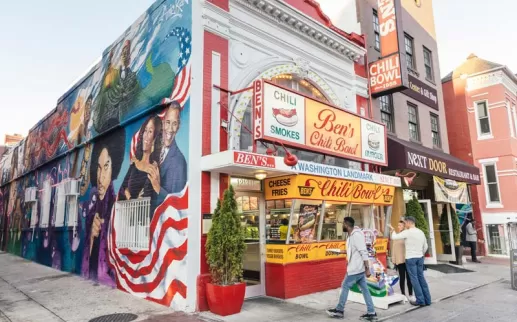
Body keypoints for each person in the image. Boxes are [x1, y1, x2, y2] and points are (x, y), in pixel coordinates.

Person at [82, 128, 125, 285]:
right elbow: (85, 261)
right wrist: (92, 239)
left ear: (115, 167)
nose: (101, 177)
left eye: (106, 166)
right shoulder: (91, 212)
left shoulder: (117, 207)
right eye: (99, 168)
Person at [327, 217, 377, 320]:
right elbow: (352, 251)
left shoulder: (356, 235)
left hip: (356, 268)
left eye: (343, 224)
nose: (342, 226)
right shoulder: (351, 236)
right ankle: (371, 312)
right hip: (357, 268)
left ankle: (339, 310)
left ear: (346, 225)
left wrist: (367, 269)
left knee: (345, 286)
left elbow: (363, 252)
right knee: (365, 290)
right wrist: (338, 251)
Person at [147, 102, 187, 209]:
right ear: (163, 123)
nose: (170, 128)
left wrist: (157, 187)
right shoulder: (155, 150)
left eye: (174, 124)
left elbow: (177, 204)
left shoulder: (180, 162)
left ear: (178, 126)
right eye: (168, 122)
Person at [389, 216, 431, 307]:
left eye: (405, 222)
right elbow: (426, 246)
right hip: (420, 258)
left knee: (414, 279)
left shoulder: (407, 232)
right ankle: (427, 299)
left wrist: (392, 230)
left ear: (408, 222)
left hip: (411, 258)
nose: (405, 224)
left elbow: (394, 237)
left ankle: (420, 300)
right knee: (421, 278)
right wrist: (421, 253)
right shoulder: (420, 232)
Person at [118, 115, 162, 201]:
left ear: (154, 138)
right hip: (126, 212)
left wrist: (129, 196)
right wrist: (129, 197)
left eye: (150, 131)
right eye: (145, 130)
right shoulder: (134, 163)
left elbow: (146, 197)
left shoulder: (153, 168)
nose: (145, 135)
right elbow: (123, 189)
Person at [391, 220, 413, 301]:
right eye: (398, 225)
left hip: (407, 260)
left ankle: (411, 294)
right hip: (400, 261)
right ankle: (403, 294)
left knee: (409, 278)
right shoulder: (396, 236)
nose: (398, 227)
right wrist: (393, 259)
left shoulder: (406, 235)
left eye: (400, 225)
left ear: (404, 226)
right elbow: (394, 249)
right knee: (402, 278)